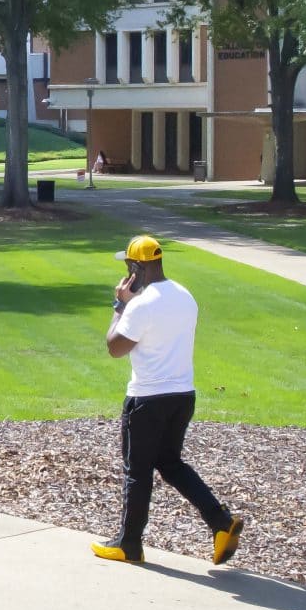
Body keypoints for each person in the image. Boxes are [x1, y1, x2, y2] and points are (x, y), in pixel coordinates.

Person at [96, 234, 244, 565]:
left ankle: (129, 544)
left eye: (127, 265)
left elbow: (114, 348)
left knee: (138, 471)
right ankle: (220, 521)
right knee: (171, 463)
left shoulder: (140, 305)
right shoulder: (184, 296)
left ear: (135, 267)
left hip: (148, 398)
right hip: (182, 396)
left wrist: (120, 305)